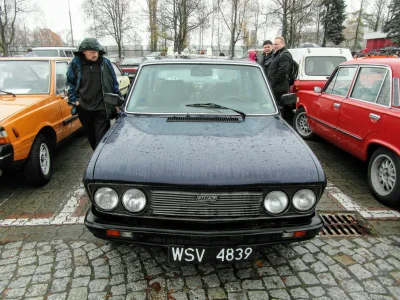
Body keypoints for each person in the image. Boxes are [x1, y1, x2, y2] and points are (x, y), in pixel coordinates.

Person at [66, 37, 121, 151]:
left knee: (101, 140)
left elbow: (113, 82)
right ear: (84, 51)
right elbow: (70, 83)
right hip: (84, 108)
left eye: (96, 52)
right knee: (91, 138)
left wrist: (117, 101)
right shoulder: (76, 64)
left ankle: (100, 164)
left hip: (102, 107)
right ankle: (98, 160)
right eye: (92, 52)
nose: (95, 54)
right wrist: (74, 100)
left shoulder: (105, 63)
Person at [266, 36, 293, 118]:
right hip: (276, 87)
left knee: (279, 109)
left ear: (283, 44)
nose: (274, 46)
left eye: (277, 44)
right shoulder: (278, 54)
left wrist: (273, 83)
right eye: (274, 44)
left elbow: (282, 72)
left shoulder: (285, 55)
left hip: (279, 88)